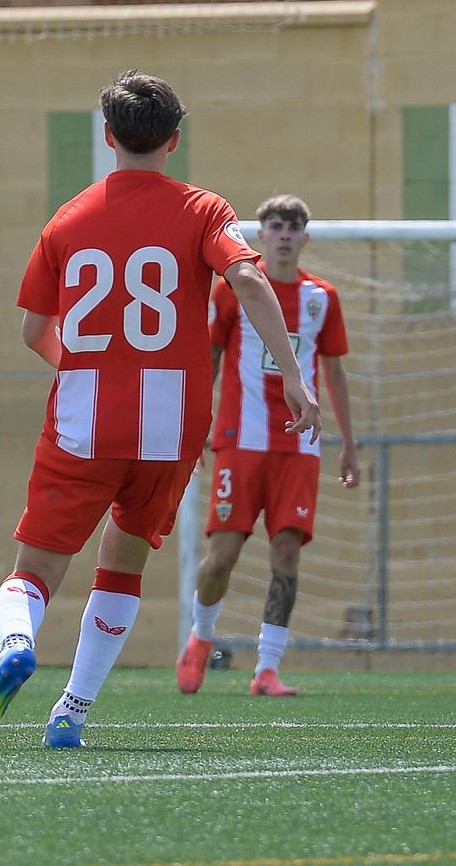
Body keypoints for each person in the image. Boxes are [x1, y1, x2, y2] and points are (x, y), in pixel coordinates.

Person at [0, 72, 320, 750]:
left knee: (33, 572)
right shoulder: (204, 210)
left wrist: (90, 373)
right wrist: (292, 375)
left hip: (84, 423)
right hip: (169, 427)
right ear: (174, 140)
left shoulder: (68, 219)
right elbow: (246, 277)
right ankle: (71, 713)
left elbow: (34, 329)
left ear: (107, 137)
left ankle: (17, 645)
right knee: (122, 567)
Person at [176, 194, 360, 697]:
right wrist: (194, 429)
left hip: (298, 447)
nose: (283, 235)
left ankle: (267, 669)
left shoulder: (322, 298)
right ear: (260, 236)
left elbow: (334, 372)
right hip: (240, 441)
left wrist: (347, 444)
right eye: (275, 226)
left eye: (292, 227)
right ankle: (201, 636)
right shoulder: (232, 291)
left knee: (287, 552)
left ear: (305, 238)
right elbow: (210, 359)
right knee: (222, 557)